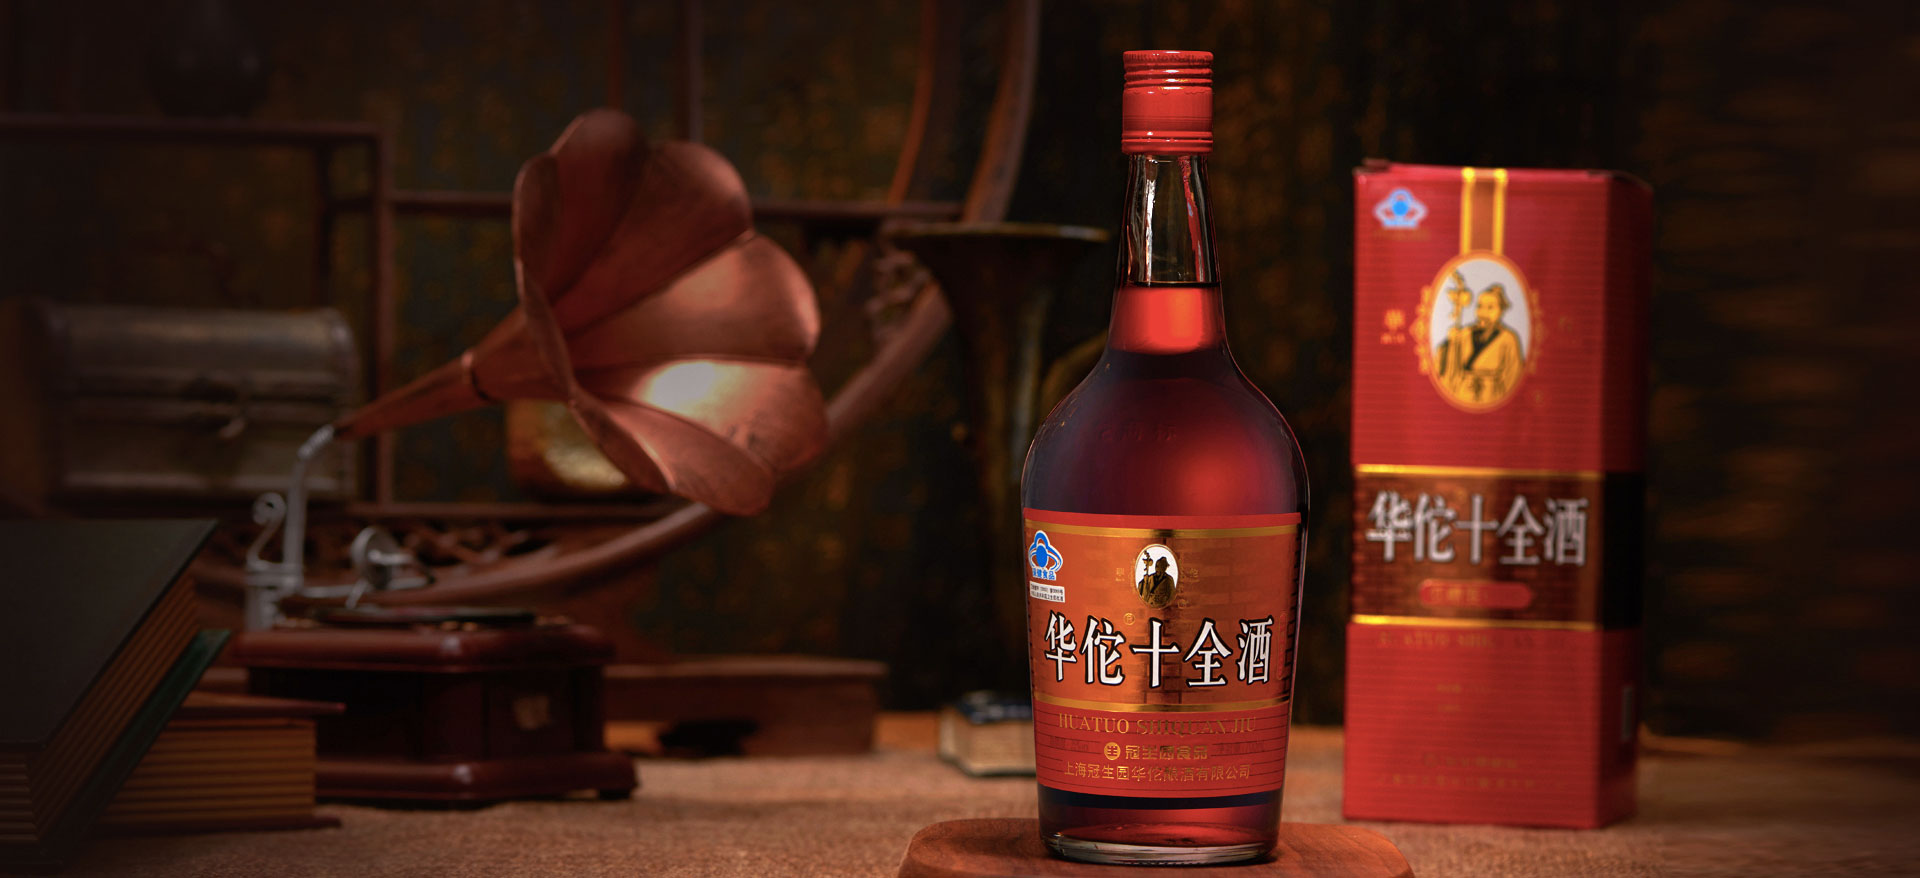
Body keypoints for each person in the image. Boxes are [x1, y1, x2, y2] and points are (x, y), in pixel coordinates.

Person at [1435, 282, 1524, 406]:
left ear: (1501, 310)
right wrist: (1451, 342)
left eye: (1490, 308)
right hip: (1463, 393)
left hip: (1492, 395)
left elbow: (1513, 375)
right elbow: (1446, 364)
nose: (1483, 312)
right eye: (1479, 306)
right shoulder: (1465, 333)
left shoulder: (1509, 338)